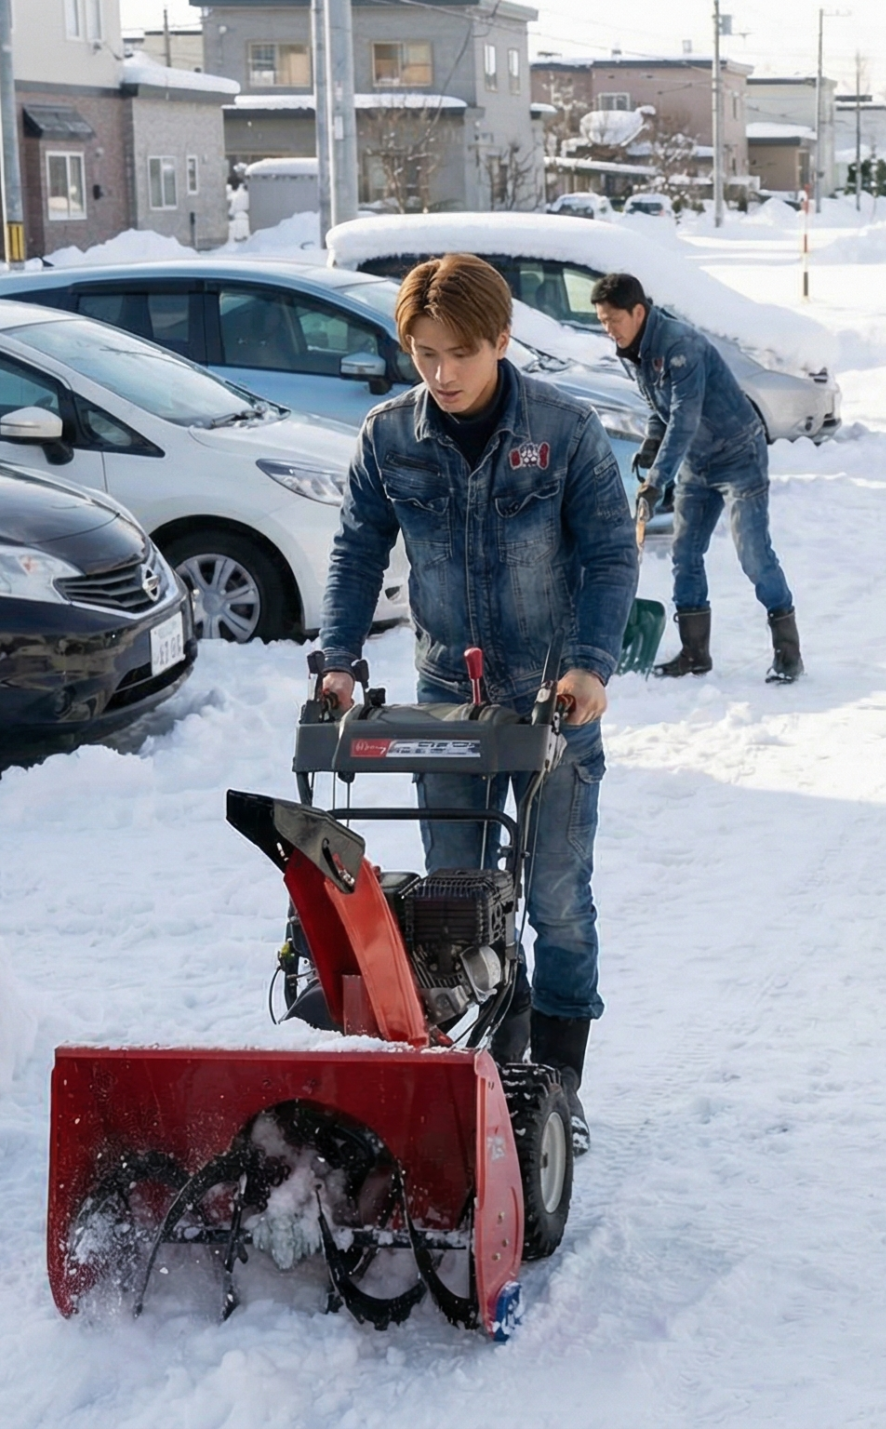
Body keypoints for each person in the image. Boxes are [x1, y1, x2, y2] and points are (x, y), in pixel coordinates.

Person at [317, 252, 638, 1152]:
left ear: (500, 338)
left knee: (559, 903)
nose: (441, 373)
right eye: (422, 353)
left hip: (554, 705)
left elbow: (612, 554)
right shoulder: (390, 437)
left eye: (458, 352)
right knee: (459, 898)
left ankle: (558, 1089)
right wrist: (338, 659)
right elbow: (354, 552)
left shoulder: (564, 433)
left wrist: (590, 665)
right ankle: (493, 1066)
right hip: (444, 707)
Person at [591, 270, 803, 683]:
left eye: (612, 320)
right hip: (698, 461)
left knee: (754, 555)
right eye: (602, 322)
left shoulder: (680, 347)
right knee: (685, 554)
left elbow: (684, 420)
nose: (608, 330)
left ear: (637, 311)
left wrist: (657, 480)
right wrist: (652, 444)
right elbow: (662, 410)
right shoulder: (636, 350)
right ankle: (694, 653)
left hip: (739, 454)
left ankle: (788, 653)